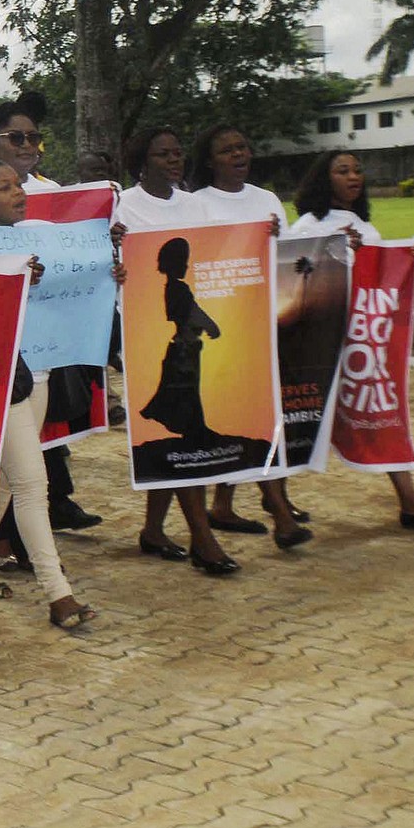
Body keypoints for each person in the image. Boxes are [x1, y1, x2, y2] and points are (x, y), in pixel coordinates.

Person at [0, 159, 99, 628]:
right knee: (30, 483)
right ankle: (57, 593)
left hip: (39, 373)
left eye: (19, 184)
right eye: (5, 187)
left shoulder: (36, 237)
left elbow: (78, 287)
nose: (19, 192)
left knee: (7, 480)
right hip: (4, 380)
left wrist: (107, 271)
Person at [116, 127, 240, 576]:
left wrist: (262, 237)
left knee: (177, 433)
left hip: (187, 348)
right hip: (145, 336)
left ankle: (152, 530)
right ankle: (202, 539)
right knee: (187, 431)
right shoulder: (123, 206)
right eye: (162, 154)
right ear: (142, 160)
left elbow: (222, 254)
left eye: (177, 152)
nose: (174, 160)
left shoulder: (195, 204)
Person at [289, 149, 414, 529]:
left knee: (381, 411)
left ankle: (409, 498)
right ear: (324, 179)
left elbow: (378, 278)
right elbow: (293, 273)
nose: (354, 176)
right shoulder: (306, 225)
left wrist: (407, 257)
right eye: (343, 170)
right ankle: (240, 500)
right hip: (319, 344)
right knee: (295, 422)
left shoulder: (365, 227)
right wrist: (334, 251)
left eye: (357, 170)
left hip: (359, 345)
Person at [189, 124, 312, 548]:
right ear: (209, 160)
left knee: (257, 417)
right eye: (227, 150)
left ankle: (224, 505)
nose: (239, 154)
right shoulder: (196, 204)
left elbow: (291, 255)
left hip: (263, 322)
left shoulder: (267, 200)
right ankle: (279, 513)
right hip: (221, 329)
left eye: (243, 146)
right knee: (247, 418)